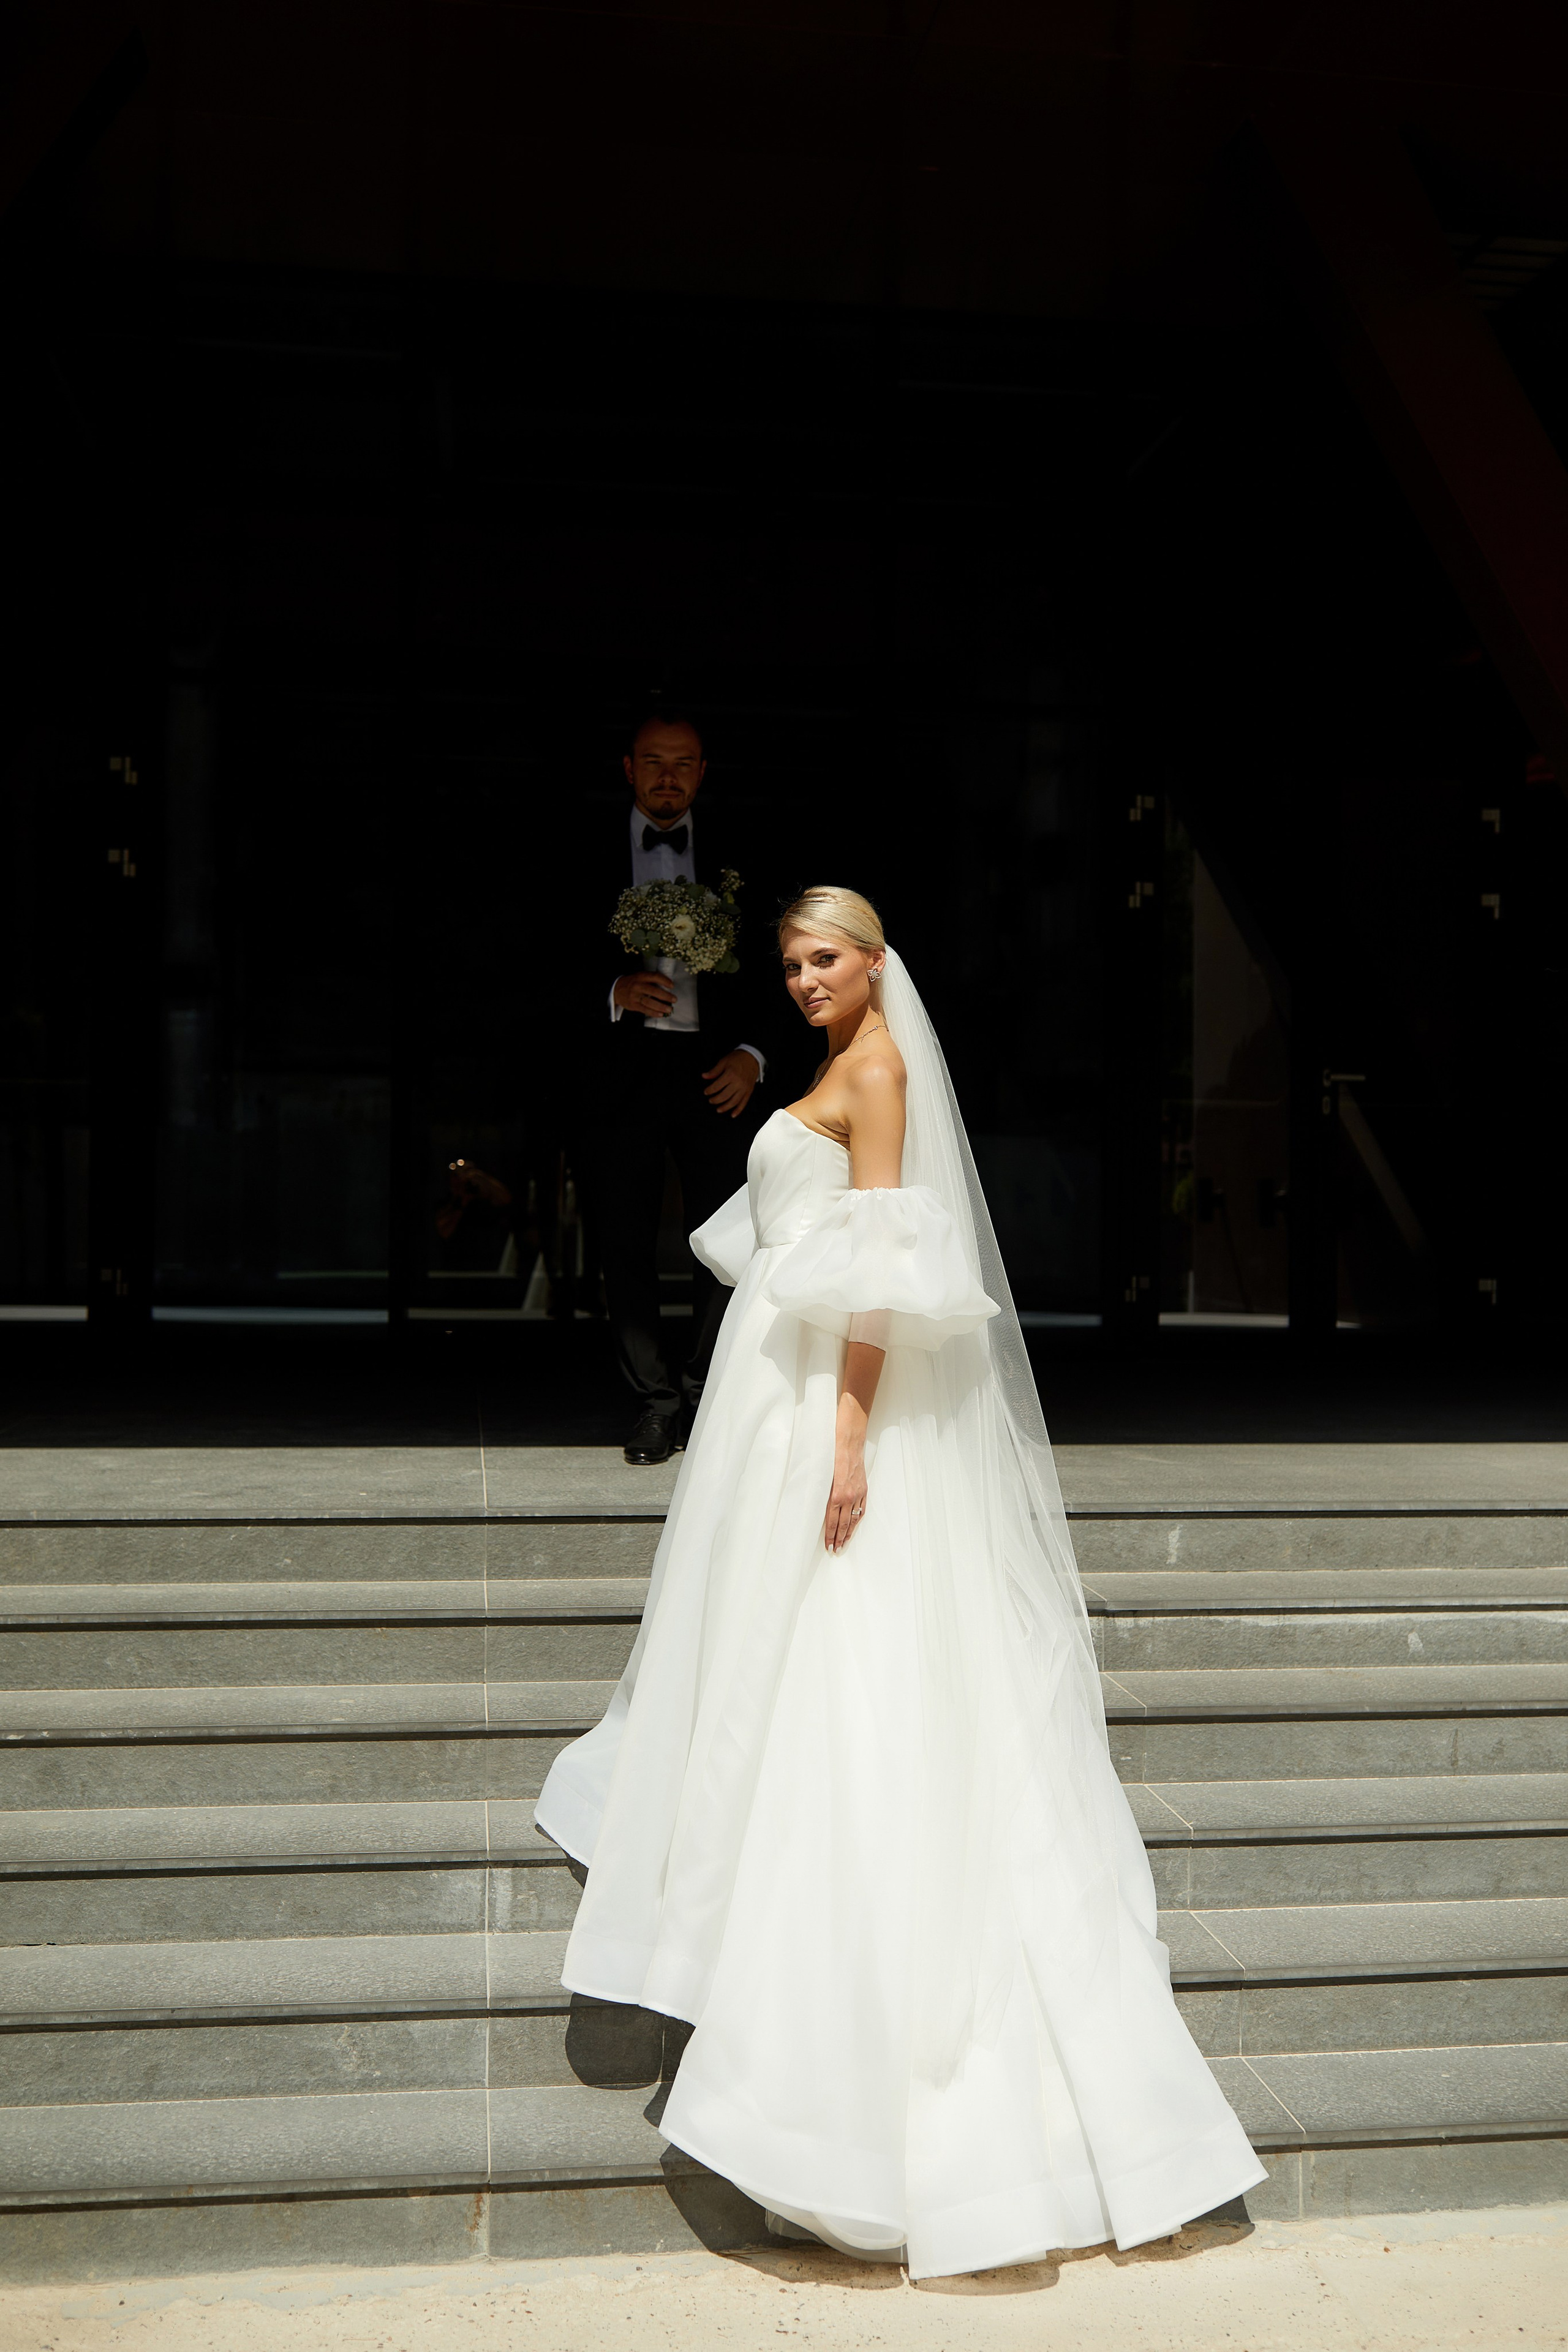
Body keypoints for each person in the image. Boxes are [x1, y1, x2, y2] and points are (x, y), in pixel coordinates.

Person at [535, 886, 1267, 2281]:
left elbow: (883, 1270)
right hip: (774, 1391)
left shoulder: (874, 1074)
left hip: (824, 1399)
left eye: (825, 960)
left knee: (842, 1666)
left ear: (876, 964)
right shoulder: (834, 1061)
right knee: (763, 1647)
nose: (804, 979)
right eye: (790, 963)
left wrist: (850, 1430)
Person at [570, 710, 796, 1464]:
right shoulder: (580, 850)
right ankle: (654, 1404)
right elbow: (534, 958)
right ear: (628, 768)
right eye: (653, 762)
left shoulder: (747, 854)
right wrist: (611, 992)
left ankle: (706, 1396)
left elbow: (786, 962)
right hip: (620, 1074)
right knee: (624, 1242)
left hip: (718, 1074)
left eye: (682, 764)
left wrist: (755, 1056)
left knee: (728, 1242)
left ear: (701, 772)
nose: (667, 777)